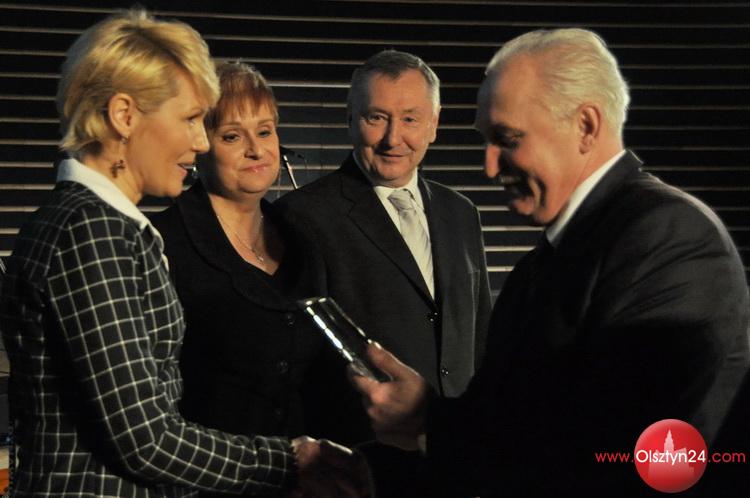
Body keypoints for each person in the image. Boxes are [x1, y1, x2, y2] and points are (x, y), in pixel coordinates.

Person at [352, 28, 750, 497]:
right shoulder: (540, 266)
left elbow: (621, 452)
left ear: (586, 126)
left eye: (507, 139)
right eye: (486, 141)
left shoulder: (670, 235)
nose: (490, 166)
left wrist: (429, 422)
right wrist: (363, 469)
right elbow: (500, 425)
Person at [0, 10, 364, 498]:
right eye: (191, 119)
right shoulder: (92, 231)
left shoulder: (94, 223)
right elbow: (145, 439)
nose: (198, 141)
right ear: (124, 115)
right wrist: (288, 461)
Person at [275, 50, 492, 446]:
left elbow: (479, 342)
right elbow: (293, 366)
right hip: (361, 451)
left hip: (456, 446)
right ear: (350, 119)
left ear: (434, 124)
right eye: (376, 118)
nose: (393, 139)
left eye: (410, 119)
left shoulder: (462, 212)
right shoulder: (301, 216)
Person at [150, 61, 330, 474]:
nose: (256, 149)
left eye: (265, 131)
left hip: (303, 480)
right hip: (208, 480)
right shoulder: (163, 243)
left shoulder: (303, 237)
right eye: (232, 136)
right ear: (199, 144)